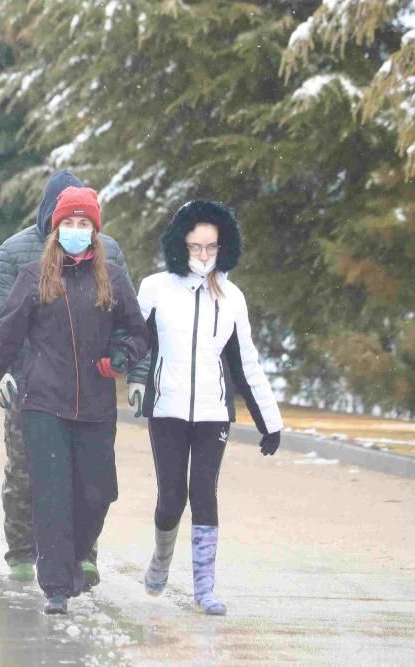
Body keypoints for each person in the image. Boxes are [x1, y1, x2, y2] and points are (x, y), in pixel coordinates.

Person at [0, 186, 149, 614]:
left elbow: (138, 333)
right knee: (51, 494)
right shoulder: (34, 276)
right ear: (55, 228)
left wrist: (123, 356)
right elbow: (5, 338)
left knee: (98, 492)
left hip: (97, 406)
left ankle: (75, 558)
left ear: (95, 231)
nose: (76, 231)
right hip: (43, 402)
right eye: (69, 223)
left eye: (84, 224)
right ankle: (56, 588)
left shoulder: (113, 278)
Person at [137, 200, 283, 616]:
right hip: (166, 408)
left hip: (213, 414)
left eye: (211, 247)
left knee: (204, 492)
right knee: (171, 498)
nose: (203, 256)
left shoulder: (232, 298)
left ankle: (205, 589)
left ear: (224, 247)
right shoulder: (155, 289)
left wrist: (269, 422)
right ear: (179, 246)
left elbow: (245, 362)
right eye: (195, 247)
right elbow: (132, 342)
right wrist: (121, 372)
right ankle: (161, 561)